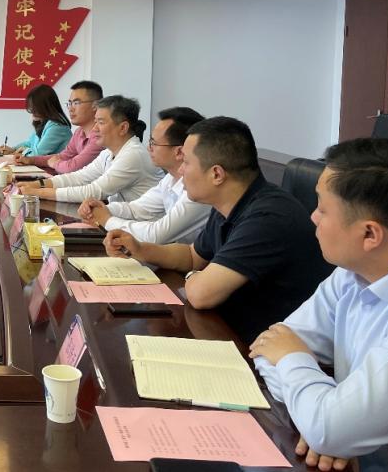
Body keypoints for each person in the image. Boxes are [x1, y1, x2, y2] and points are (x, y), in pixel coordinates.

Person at [250, 138, 388, 472]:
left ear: (370, 235)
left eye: (322, 209)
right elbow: (267, 347)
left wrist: (330, 423)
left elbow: (327, 427)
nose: (312, 217)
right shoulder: (353, 273)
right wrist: (325, 418)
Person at [103, 116, 332, 345]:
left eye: (187, 163)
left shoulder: (269, 217)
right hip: (229, 330)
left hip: (261, 351)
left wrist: (193, 276)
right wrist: (141, 249)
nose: (180, 170)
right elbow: (192, 256)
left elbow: (201, 295)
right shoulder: (228, 203)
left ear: (216, 174)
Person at [77, 107, 210, 244]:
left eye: (154, 143)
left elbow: (156, 235)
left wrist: (107, 220)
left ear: (179, 152)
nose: (148, 148)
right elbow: (137, 209)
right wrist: (100, 209)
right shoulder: (170, 178)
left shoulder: (200, 189)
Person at [18, 95, 160, 204]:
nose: (95, 128)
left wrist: (37, 192)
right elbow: (79, 177)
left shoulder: (133, 155)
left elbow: (94, 191)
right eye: (95, 121)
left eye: (101, 122)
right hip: (123, 222)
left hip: (141, 228)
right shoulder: (108, 153)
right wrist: (37, 184)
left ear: (123, 128)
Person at [16, 81, 104, 173]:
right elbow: (63, 156)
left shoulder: (100, 135)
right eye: (69, 103)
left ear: (95, 105)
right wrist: (31, 160)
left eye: (76, 103)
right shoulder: (79, 132)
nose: (70, 109)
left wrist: (54, 163)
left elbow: (73, 167)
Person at [0, 84, 72, 157]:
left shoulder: (57, 127)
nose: (32, 110)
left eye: (35, 107)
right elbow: (30, 143)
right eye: (31, 106)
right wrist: (13, 149)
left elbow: (37, 154)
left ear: (47, 106)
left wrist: (24, 151)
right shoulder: (44, 122)